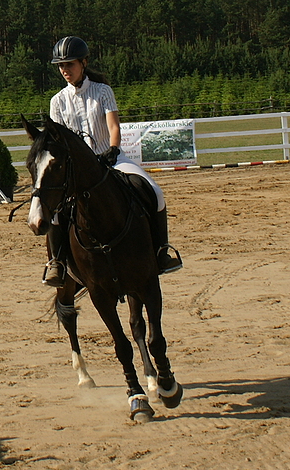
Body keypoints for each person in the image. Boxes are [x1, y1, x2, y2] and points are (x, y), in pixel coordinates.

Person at [44, 35, 182, 287]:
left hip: (111, 159)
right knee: (53, 212)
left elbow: (114, 126)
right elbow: (58, 142)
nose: (65, 70)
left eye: (69, 64)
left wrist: (113, 148)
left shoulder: (102, 91)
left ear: (83, 63)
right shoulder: (57, 102)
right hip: (77, 172)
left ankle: (162, 251)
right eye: (61, 66)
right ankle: (57, 263)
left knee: (155, 191)